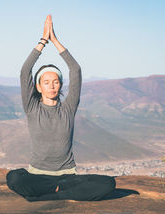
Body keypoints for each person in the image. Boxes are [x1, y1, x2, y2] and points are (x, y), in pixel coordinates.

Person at [6, 15, 115, 201]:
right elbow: (25, 72)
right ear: (38, 87)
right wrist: (43, 41)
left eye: (56, 82)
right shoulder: (32, 108)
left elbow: (76, 70)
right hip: (37, 176)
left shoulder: (68, 108)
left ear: (61, 85)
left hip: (67, 177)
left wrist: (55, 40)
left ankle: (48, 195)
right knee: (14, 178)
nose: (51, 86)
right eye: (46, 82)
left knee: (109, 183)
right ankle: (59, 192)